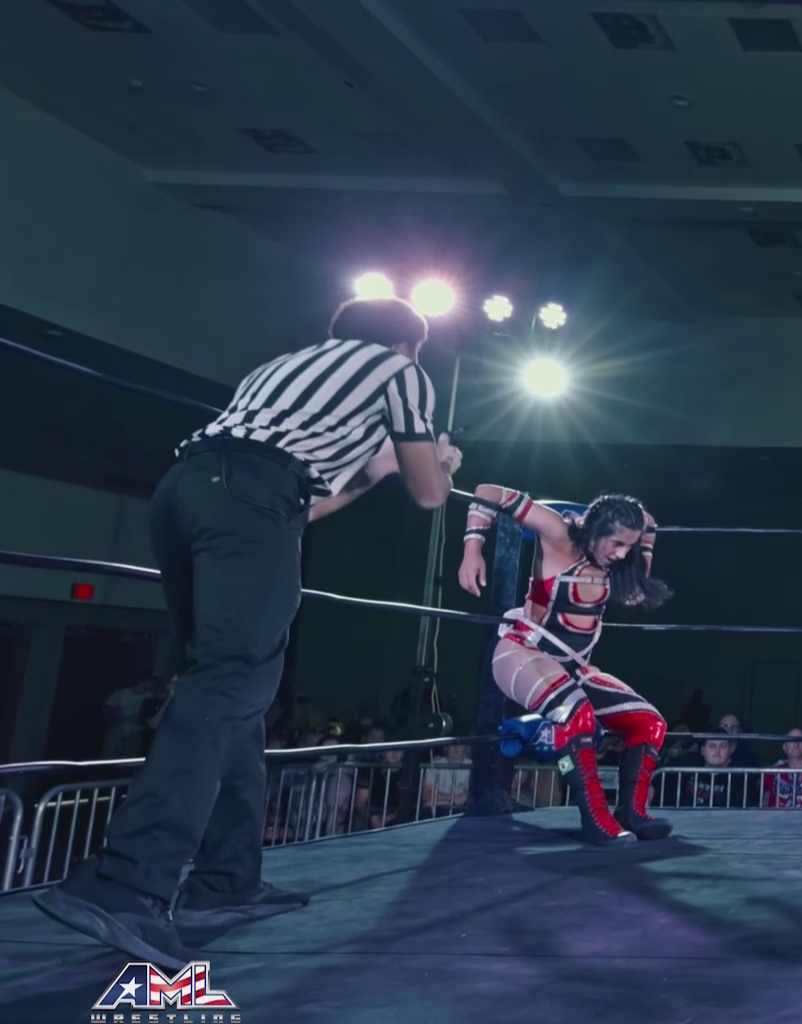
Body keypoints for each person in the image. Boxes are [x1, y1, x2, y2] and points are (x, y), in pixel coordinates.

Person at [35, 297, 461, 969]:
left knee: (234, 690)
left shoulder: (281, 369)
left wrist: (376, 468)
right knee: (233, 679)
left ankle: (225, 879)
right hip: (248, 501)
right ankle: (125, 881)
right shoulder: (400, 370)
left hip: (186, 493)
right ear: (408, 344)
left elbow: (295, 505)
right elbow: (430, 494)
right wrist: (439, 459)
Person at [459, 486, 674, 843]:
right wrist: (472, 551)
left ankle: (632, 812)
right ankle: (595, 819)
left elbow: (648, 522)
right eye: (616, 543)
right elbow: (488, 492)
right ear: (596, 529)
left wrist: (643, 556)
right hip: (523, 653)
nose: (622, 554)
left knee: (649, 722)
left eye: (629, 546)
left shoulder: (620, 557)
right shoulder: (558, 534)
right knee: (577, 714)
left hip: (574, 667)